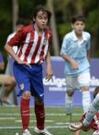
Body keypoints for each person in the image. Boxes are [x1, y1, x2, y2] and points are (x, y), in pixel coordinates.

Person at [5, 6, 53, 135]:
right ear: (34, 18)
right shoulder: (25, 31)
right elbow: (7, 46)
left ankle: (40, 128)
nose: (43, 21)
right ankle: (25, 129)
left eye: (45, 18)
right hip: (22, 68)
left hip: (37, 69)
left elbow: (46, 51)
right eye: (40, 18)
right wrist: (18, 59)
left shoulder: (48, 34)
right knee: (26, 94)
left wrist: (49, 65)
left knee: (39, 100)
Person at [60, 15, 91, 115]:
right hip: (70, 69)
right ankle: (68, 110)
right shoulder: (68, 37)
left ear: (84, 26)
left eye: (82, 24)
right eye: (77, 24)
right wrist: (72, 61)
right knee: (70, 91)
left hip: (84, 66)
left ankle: (87, 115)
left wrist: (88, 62)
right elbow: (62, 53)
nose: (79, 26)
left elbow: (88, 49)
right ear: (72, 25)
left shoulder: (87, 36)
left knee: (85, 87)